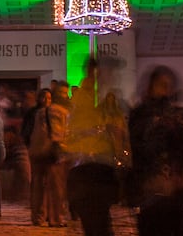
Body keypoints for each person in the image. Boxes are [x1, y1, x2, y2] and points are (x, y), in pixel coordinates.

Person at [129, 65, 183, 236]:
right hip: (151, 188)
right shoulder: (141, 113)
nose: (166, 89)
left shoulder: (175, 113)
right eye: (161, 84)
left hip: (175, 189)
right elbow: (139, 146)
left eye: (168, 85)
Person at [66, 62, 122, 236]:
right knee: (95, 220)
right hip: (88, 165)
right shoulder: (85, 98)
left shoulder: (104, 98)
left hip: (99, 165)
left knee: (99, 220)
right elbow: (75, 131)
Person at [23, 87, 69, 226]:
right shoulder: (60, 112)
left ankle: (38, 217)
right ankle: (54, 218)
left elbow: (28, 132)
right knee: (54, 187)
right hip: (50, 152)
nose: (46, 100)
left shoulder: (38, 113)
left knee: (38, 186)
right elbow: (61, 133)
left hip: (37, 151)